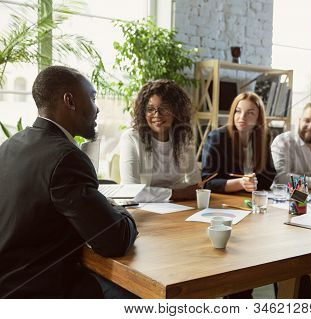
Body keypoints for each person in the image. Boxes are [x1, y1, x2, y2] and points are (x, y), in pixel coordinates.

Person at [0, 66, 138, 298]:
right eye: (92, 98)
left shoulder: (10, 145)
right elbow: (115, 240)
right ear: (70, 101)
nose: (97, 108)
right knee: (138, 297)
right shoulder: (67, 157)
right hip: (38, 293)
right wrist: (123, 212)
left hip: (7, 283)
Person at [120, 80, 201, 202]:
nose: (157, 114)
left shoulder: (182, 137)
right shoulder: (131, 138)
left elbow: (194, 184)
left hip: (175, 208)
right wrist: (176, 193)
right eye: (150, 109)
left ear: (175, 111)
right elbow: (130, 190)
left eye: (164, 108)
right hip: (141, 210)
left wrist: (182, 192)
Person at [201, 92, 276, 194]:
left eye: (250, 113)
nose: (242, 117)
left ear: (258, 118)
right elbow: (207, 183)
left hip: (250, 199)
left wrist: (253, 183)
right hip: (224, 200)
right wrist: (240, 183)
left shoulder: (264, 137)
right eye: (238, 111)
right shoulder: (216, 137)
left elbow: (268, 176)